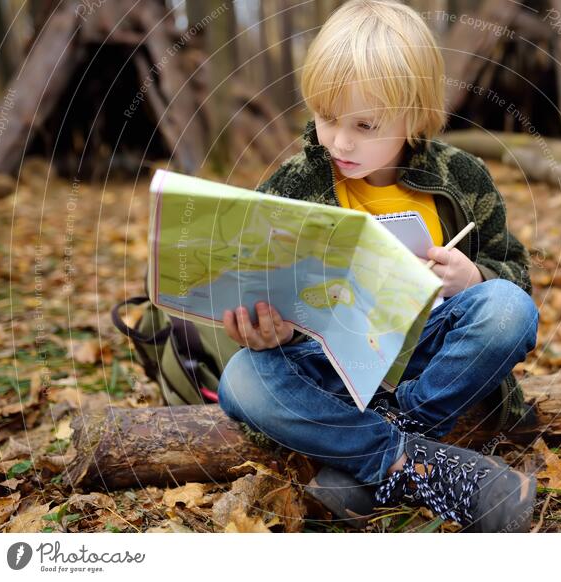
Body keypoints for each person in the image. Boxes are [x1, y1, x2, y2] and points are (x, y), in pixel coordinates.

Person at [217, 0, 539, 533]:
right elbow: (258, 282)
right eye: (326, 118)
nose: (340, 141)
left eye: (365, 124)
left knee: (507, 309)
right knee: (242, 381)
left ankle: (380, 449)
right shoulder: (293, 186)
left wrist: (474, 277)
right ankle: (409, 463)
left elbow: (517, 277)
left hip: (434, 362)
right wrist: (267, 332)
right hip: (333, 370)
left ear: (412, 115)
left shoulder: (462, 177)